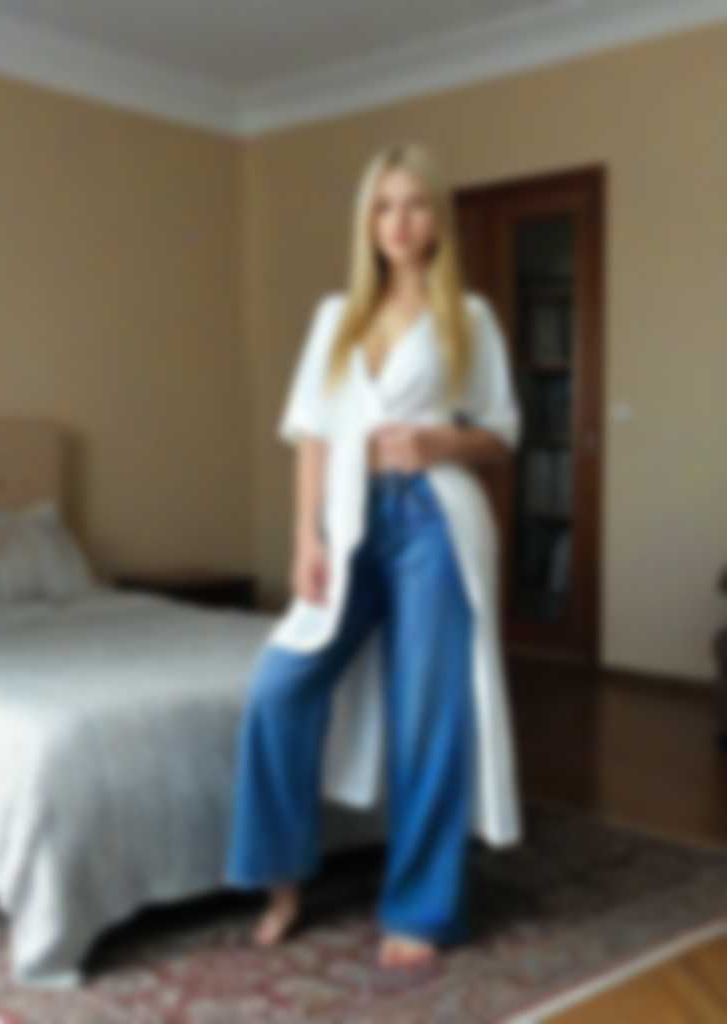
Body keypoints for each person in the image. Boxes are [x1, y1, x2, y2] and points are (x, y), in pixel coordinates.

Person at [223, 141, 523, 969]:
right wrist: (305, 539)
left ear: (438, 221)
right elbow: (313, 437)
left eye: (416, 204)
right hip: (348, 520)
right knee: (278, 689)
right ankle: (282, 876)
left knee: (428, 713)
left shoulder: (471, 317)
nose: (399, 221)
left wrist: (438, 442)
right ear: (368, 221)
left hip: (436, 522)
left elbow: (501, 436)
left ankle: (420, 907)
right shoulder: (337, 317)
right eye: (384, 206)